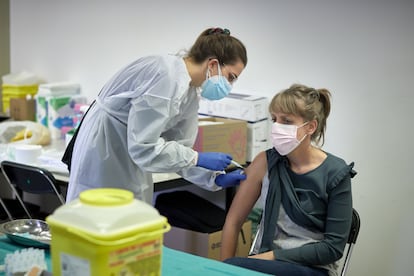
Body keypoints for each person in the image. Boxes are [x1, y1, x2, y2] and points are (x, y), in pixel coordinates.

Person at [63, 27, 247, 203]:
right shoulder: (166, 76)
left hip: (129, 152)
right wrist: (198, 158)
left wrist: (213, 179)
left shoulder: (189, 92)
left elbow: (179, 151)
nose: (229, 86)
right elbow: (144, 148)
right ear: (213, 64)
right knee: (98, 217)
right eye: (231, 77)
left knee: (130, 219)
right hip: (105, 149)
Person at [220, 84, 356, 276]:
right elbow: (233, 221)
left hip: (313, 269)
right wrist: (223, 269)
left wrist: (273, 256)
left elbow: (333, 248)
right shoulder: (264, 162)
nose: (276, 127)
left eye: (286, 120)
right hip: (265, 264)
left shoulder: (336, 172)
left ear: (310, 126)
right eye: (274, 119)